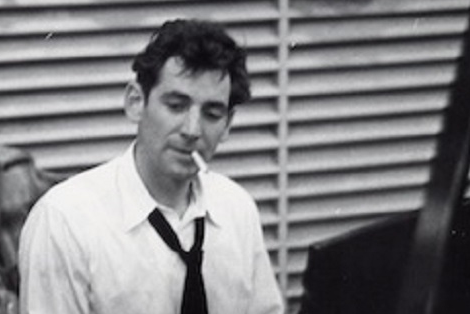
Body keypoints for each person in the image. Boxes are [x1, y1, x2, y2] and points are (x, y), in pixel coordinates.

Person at [18, 19, 284, 314]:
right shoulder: (65, 220)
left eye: (212, 113)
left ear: (228, 124)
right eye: (176, 105)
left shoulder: (237, 208)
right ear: (136, 102)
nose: (193, 130)